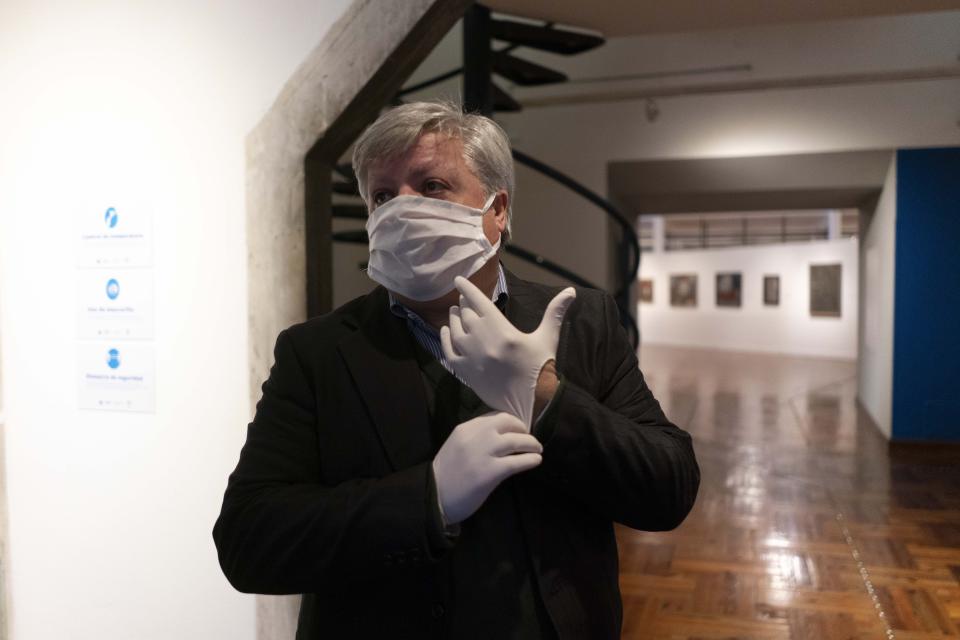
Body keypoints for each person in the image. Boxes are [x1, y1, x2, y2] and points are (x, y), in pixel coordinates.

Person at [213, 101, 699, 639]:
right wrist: (429, 498)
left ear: (498, 211)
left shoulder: (583, 320)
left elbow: (668, 489)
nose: (401, 208)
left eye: (432, 185)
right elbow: (248, 541)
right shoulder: (317, 352)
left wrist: (546, 396)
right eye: (382, 195)